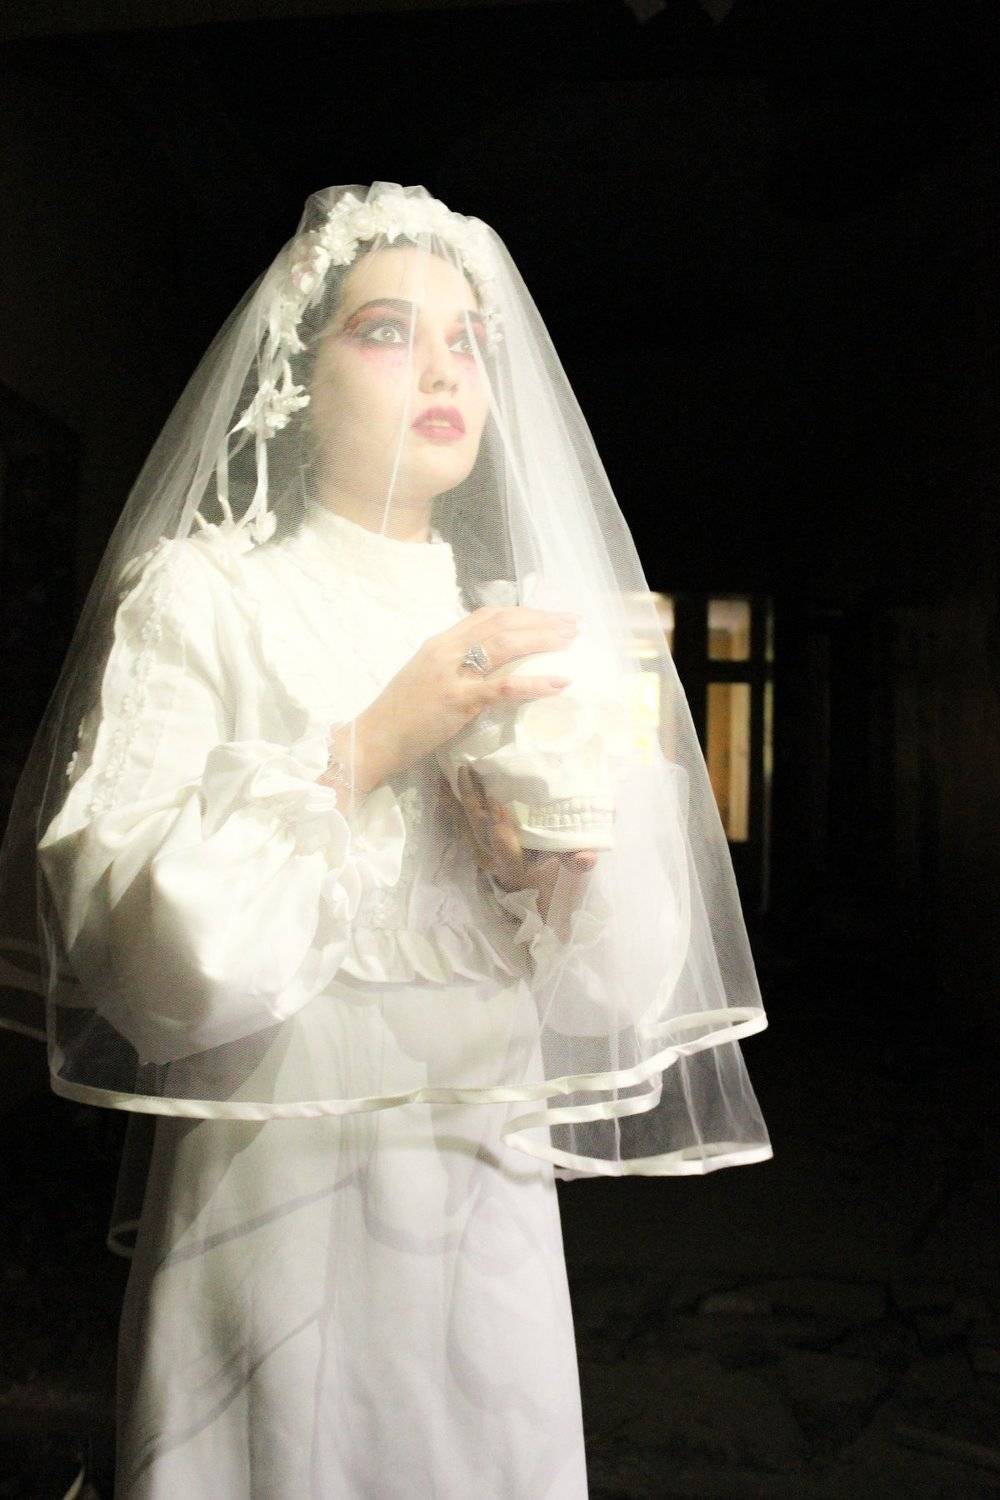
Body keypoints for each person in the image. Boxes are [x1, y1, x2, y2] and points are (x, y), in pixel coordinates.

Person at [0, 182, 773, 1498]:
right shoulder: (206, 599)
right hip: (270, 1187)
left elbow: (624, 986)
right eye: (386, 331)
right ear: (300, 380)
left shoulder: (532, 635)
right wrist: (366, 746)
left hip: (480, 1194)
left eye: (466, 340)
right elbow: (131, 947)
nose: (443, 369)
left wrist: (548, 878)